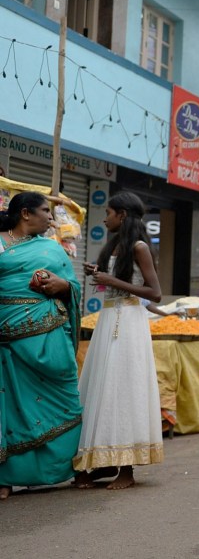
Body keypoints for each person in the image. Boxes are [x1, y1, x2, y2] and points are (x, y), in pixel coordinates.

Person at [74, 192, 163, 490]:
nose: (105, 217)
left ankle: (127, 470)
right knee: (101, 387)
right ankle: (100, 461)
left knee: (123, 389)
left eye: (109, 212)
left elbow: (155, 292)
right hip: (109, 321)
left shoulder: (138, 247)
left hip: (130, 324)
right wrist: (100, 274)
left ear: (122, 215)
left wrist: (112, 281)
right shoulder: (115, 246)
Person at [0, 192, 83, 499]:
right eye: (45, 211)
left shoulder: (51, 247)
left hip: (51, 338)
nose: (51, 218)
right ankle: (5, 477)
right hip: (7, 341)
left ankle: (63, 468)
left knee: (65, 401)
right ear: (25, 214)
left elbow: (71, 286)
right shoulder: (0, 243)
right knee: (9, 406)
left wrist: (63, 286)